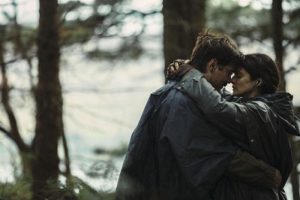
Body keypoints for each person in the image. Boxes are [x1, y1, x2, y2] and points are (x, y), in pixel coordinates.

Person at [116, 33, 282, 200]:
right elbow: (216, 153)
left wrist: (187, 71)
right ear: (212, 66)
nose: (229, 81)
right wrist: (268, 175)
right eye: (229, 72)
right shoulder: (183, 103)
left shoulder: (170, 94)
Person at [169, 53, 299, 199]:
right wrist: (190, 66)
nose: (232, 80)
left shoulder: (260, 111)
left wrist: (191, 73)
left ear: (258, 82)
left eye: (238, 76)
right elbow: (217, 95)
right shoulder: (249, 104)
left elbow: (217, 107)